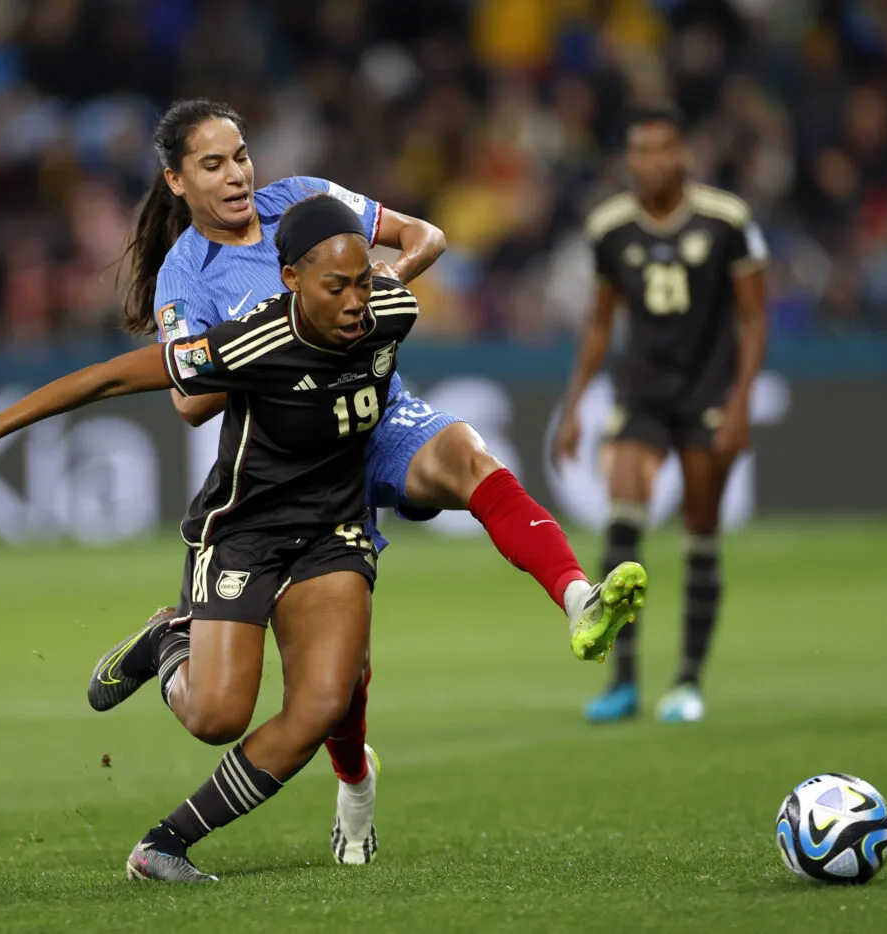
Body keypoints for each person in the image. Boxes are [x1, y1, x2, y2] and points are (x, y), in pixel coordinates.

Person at [0, 197, 637, 882]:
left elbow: (412, 263)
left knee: (323, 700)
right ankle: (170, 641)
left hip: (334, 529)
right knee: (217, 718)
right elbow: (102, 382)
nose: (355, 303)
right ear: (290, 281)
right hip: (244, 532)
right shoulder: (247, 346)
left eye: (362, 282)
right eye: (335, 288)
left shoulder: (393, 308)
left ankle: (164, 843)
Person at [85, 99, 648, 866]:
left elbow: (426, 236)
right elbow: (189, 401)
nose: (238, 174)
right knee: (337, 677)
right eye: (213, 164)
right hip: (298, 463)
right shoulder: (188, 271)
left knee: (471, 461)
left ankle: (579, 599)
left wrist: (378, 283)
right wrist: (282, 337)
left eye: (241, 154)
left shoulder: (306, 203)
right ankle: (345, 775)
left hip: (375, 417)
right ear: (177, 180)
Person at [553, 104, 768, 724]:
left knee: (700, 535)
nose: (651, 162)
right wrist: (572, 408)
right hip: (640, 391)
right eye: (639, 151)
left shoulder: (728, 220)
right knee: (622, 521)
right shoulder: (610, 227)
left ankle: (687, 682)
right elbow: (599, 322)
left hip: (706, 391)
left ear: (682, 155)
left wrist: (741, 401)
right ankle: (621, 683)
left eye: (662, 150)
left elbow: (753, 317)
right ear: (629, 158)